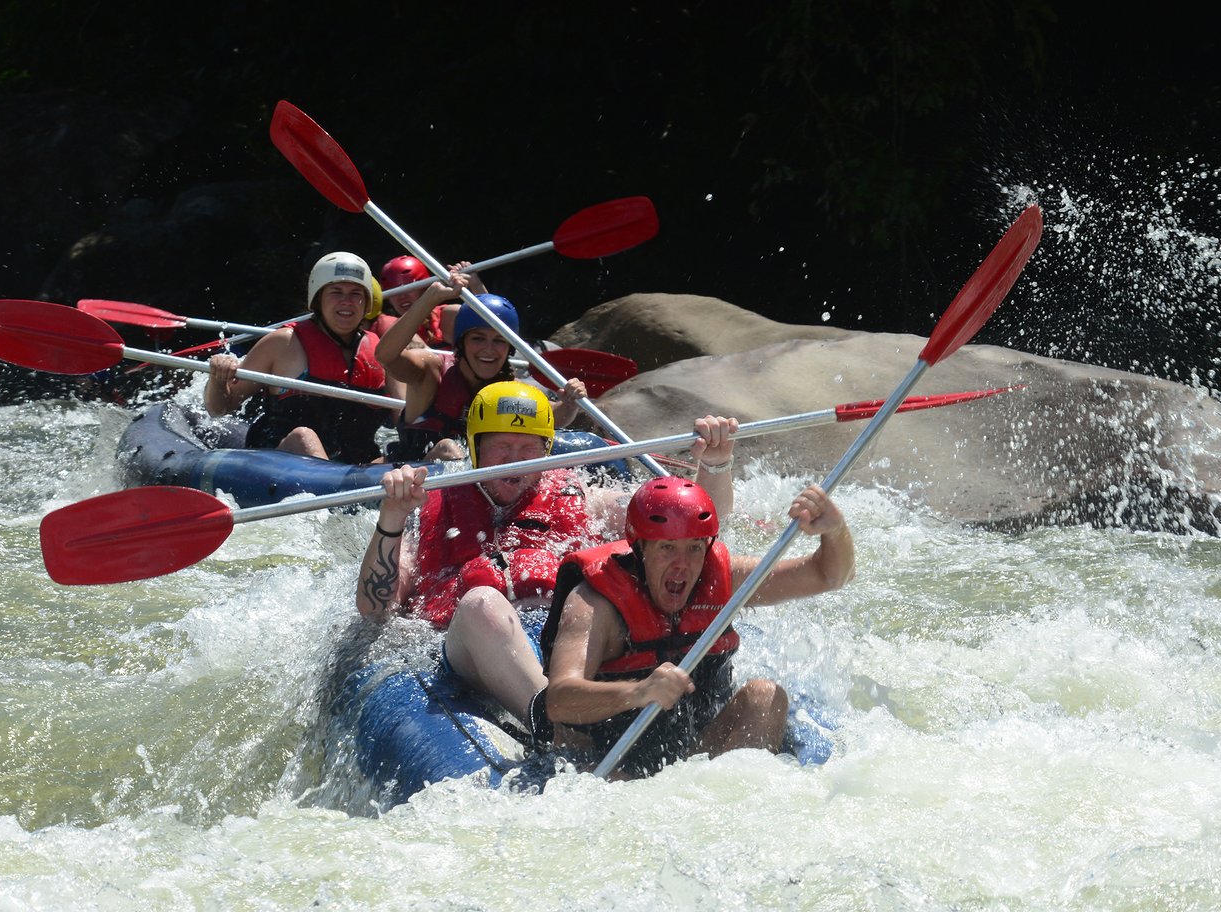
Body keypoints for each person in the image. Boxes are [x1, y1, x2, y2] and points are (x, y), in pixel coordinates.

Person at [356, 381, 739, 737]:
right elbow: (375, 607)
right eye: (501, 448)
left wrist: (716, 464)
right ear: (474, 447)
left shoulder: (582, 498)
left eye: (528, 449)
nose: (516, 461)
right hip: (475, 645)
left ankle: (571, 710)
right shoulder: (431, 510)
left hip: (565, 640)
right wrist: (392, 517)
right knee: (481, 603)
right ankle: (554, 725)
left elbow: (685, 527)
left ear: (546, 449)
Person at [540, 475, 855, 778]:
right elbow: (559, 701)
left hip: (697, 757)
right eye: (667, 548)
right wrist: (637, 691)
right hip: (608, 764)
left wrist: (836, 530)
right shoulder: (595, 604)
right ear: (640, 548)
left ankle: (734, 803)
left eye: (694, 547)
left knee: (764, 696)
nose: (683, 564)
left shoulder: (723, 578)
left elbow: (829, 576)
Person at [204, 252, 405, 463]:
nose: (347, 301)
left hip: (354, 466)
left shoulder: (383, 353)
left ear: (366, 303)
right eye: (336, 292)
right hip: (280, 460)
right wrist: (218, 379)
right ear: (318, 299)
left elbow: (405, 422)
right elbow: (219, 408)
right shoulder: (283, 343)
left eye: (356, 294)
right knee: (304, 437)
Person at [376, 276, 586, 460]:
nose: (489, 350)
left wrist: (569, 402)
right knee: (447, 449)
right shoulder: (431, 371)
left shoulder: (508, 387)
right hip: (412, 475)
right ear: (461, 343)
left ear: (509, 348)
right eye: (478, 338)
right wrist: (429, 299)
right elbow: (385, 355)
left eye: (499, 341)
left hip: (475, 487)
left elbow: (554, 418)